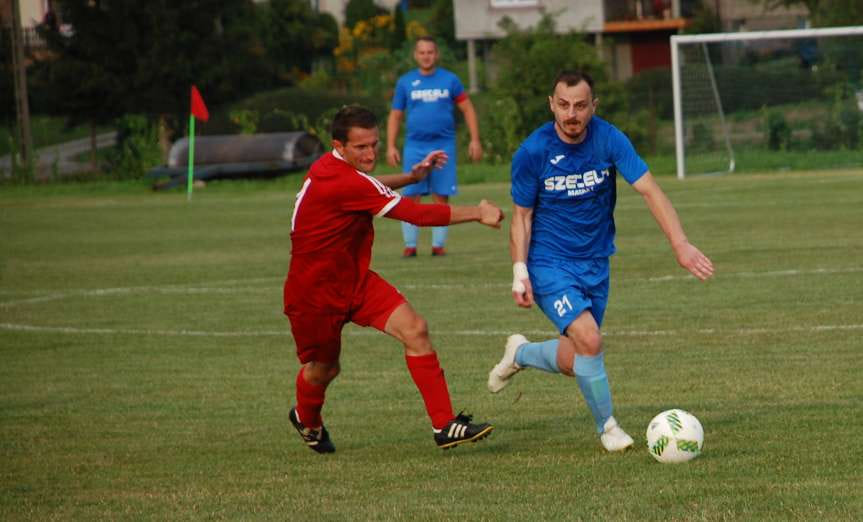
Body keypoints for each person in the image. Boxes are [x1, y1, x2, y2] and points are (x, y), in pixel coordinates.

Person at [487, 71, 714, 452]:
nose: (571, 114)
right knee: (591, 339)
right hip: (548, 263)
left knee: (578, 355)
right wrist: (520, 272)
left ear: (594, 106)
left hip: (595, 262)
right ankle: (608, 429)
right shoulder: (532, 152)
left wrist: (681, 244)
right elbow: (521, 217)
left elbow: (649, 190)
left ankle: (521, 353)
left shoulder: (609, 138)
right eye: (563, 105)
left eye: (579, 105)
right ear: (551, 105)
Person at [285, 105, 503, 453]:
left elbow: (367, 185)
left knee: (415, 328)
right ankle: (307, 419)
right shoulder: (339, 180)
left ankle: (444, 425)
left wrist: (412, 177)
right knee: (324, 369)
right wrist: (477, 212)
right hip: (314, 295)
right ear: (338, 146)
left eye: (374, 144)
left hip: (354, 281)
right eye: (361, 147)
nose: (371, 153)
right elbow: (415, 213)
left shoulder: (335, 169)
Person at [387, 36, 483, 257]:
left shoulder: (450, 80)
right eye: (422, 52)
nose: (426, 56)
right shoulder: (405, 82)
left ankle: (438, 245)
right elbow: (395, 115)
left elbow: (467, 109)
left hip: (444, 145)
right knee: (411, 194)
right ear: (415, 55)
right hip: (415, 146)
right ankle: (410, 245)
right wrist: (391, 145)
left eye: (430, 52)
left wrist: (475, 140)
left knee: (441, 195)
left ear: (436, 54)